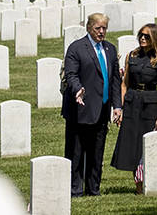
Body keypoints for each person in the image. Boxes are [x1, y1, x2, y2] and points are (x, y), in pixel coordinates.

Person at [61, 12, 122, 196]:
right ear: (89, 27)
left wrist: (117, 106)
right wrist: (77, 89)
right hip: (80, 108)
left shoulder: (110, 49)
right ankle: (75, 189)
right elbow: (71, 74)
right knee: (76, 152)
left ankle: (93, 189)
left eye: (104, 28)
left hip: (102, 109)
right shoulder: (77, 48)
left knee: (97, 153)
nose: (101, 32)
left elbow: (115, 81)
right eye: (98, 28)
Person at [110, 23, 157, 194]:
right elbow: (124, 84)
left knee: (147, 143)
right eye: (141, 35)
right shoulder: (132, 56)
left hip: (150, 103)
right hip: (132, 101)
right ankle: (137, 183)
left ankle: (148, 180)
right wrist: (119, 108)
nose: (142, 38)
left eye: (147, 36)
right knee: (131, 143)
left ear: (155, 38)